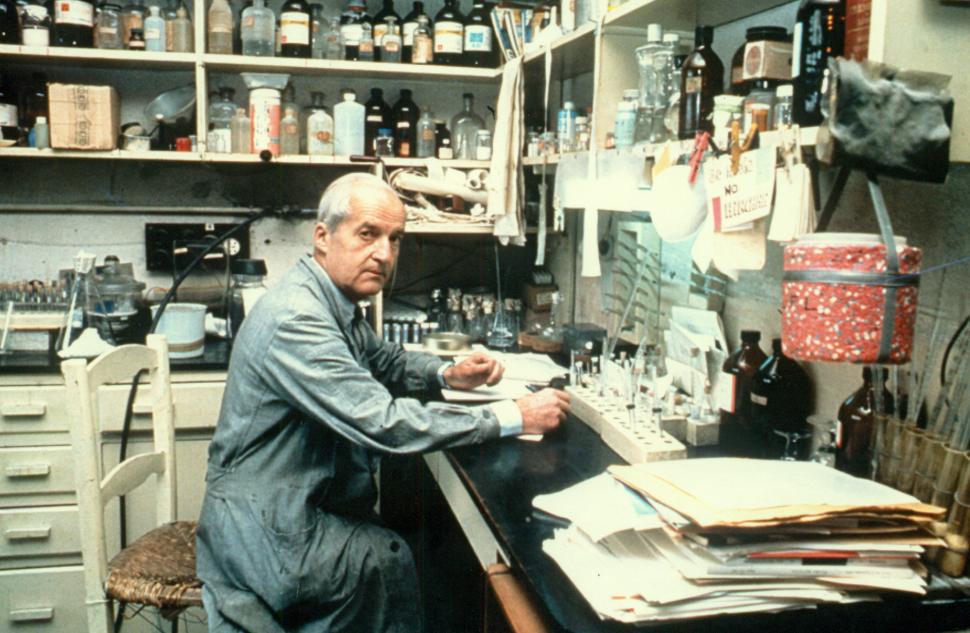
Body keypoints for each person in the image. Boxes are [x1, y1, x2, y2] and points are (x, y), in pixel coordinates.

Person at [196, 172, 570, 632]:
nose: (385, 254)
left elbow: (383, 358)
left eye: (395, 239)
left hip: (281, 508)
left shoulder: (329, 300)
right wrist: (512, 415)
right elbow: (383, 422)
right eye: (367, 234)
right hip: (263, 531)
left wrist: (446, 373)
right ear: (322, 237)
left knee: (402, 552)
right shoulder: (298, 320)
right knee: (389, 557)